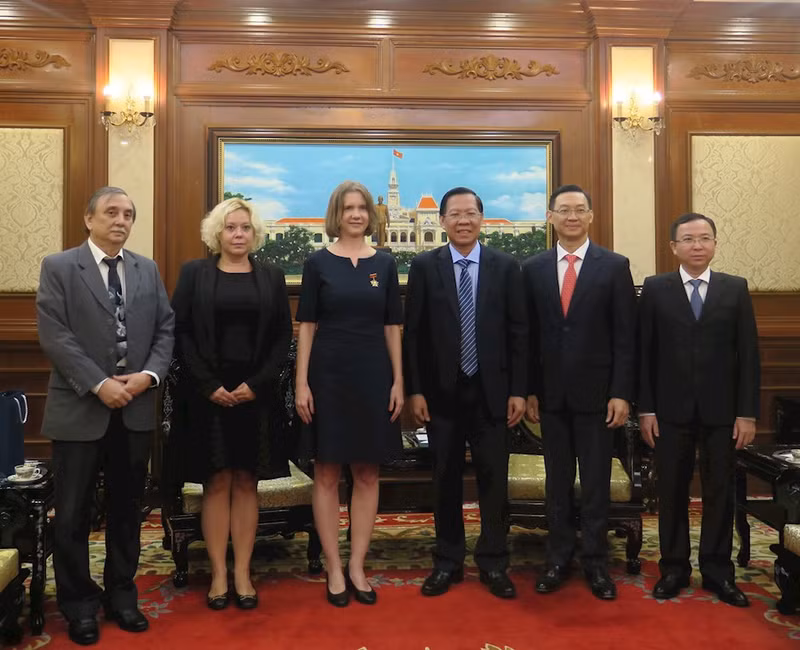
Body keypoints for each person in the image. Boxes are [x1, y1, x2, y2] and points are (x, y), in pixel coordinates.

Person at [36, 187, 174, 645]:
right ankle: (77, 604)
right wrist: (102, 384)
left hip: (134, 410)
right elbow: (55, 335)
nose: (121, 220)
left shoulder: (146, 269)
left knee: (127, 508)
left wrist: (149, 376)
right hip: (80, 407)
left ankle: (121, 594)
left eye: (129, 214)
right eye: (111, 212)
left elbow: (165, 329)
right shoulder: (59, 267)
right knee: (73, 512)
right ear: (88, 218)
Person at [169, 198, 292, 611]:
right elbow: (180, 333)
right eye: (230, 228)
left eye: (244, 228)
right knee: (215, 482)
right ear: (216, 234)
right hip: (207, 399)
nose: (238, 235)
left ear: (254, 233)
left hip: (255, 398)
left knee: (246, 482)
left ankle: (243, 571)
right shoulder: (194, 274)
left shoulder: (272, 277)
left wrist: (256, 385)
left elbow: (281, 338)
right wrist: (207, 385)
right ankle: (219, 573)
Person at [404, 186, 526, 600]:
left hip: (494, 394)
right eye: (454, 214)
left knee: (494, 480)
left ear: (482, 218)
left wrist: (519, 392)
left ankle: (493, 562)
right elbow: (414, 335)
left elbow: (518, 333)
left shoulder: (506, 266)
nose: (463, 220)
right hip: (441, 394)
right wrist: (416, 391)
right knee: (445, 479)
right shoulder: (424, 266)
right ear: (441, 221)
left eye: (470, 213)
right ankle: (448, 562)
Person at [638, 212, 760, 607]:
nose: (697, 245)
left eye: (704, 238)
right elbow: (645, 356)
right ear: (673, 246)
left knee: (719, 493)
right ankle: (673, 569)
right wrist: (647, 410)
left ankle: (717, 572)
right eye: (688, 239)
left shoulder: (734, 289)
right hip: (668, 412)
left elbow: (749, 356)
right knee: (670, 492)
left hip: (722, 413)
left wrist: (747, 413)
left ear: (714, 244)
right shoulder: (656, 289)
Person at [522, 184, 636, 601]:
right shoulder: (531, 268)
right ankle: (556, 559)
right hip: (549, 397)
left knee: (595, 483)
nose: (572, 217)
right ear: (550, 217)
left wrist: (621, 392)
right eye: (563, 210)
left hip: (599, 396)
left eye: (579, 210)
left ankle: (595, 563)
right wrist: (529, 390)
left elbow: (626, 337)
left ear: (591, 216)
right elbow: (527, 337)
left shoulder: (614, 266)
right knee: (557, 482)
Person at [295, 180, 404, 607]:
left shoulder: (387, 262)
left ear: (371, 215)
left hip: (374, 375)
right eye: (348, 208)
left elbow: (392, 326)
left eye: (361, 208)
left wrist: (399, 380)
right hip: (328, 375)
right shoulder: (317, 262)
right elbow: (306, 325)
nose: (356, 214)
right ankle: (333, 567)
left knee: (367, 473)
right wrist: (301, 382)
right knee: (325, 473)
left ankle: (357, 564)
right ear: (336, 215)